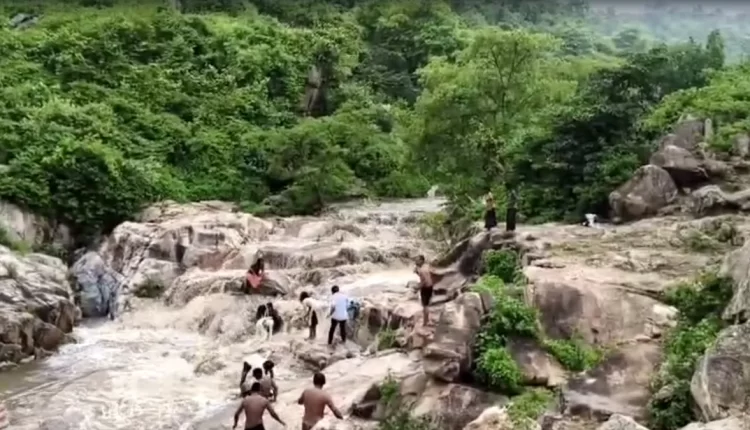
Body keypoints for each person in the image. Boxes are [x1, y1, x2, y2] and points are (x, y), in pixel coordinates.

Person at [414, 255, 433, 326]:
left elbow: (424, 280)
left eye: (417, 260)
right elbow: (427, 276)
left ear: (422, 261)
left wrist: (418, 288)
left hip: (425, 288)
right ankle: (427, 320)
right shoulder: (427, 266)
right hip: (430, 287)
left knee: (425, 306)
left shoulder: (422, 270)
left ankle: (425, 322)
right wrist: (417, 272)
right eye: (415, 260)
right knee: (427, 305)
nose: (416, 262)